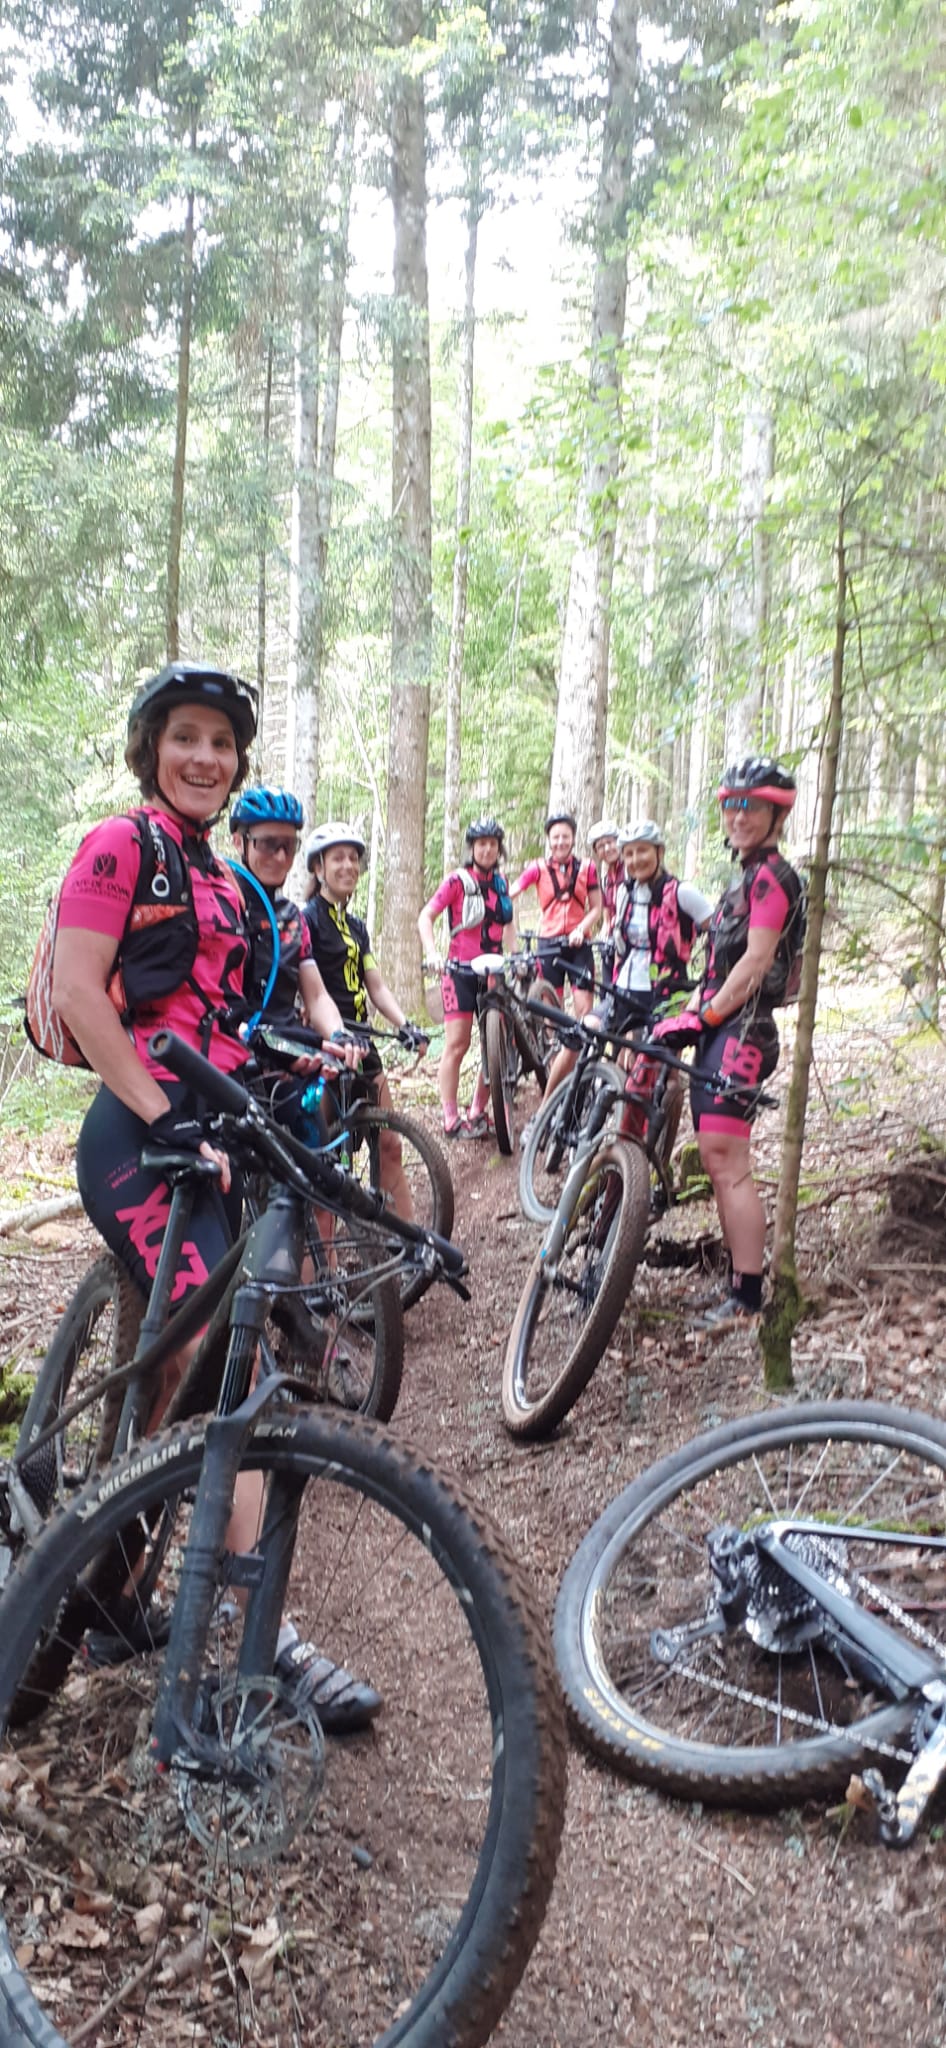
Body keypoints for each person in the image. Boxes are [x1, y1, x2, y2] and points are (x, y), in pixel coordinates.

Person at [51, 662, 379, 1730]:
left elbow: (238, 1015)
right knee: (221, 1361)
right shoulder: (118, 845)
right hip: (138, 1130)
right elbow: (75, 992)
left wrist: (313, 1055)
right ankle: (260, 1634)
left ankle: (113, 1586)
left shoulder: (229, 884)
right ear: (153, 748)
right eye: (184, 737)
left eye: (221, 744)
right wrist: (157, 1108)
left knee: (202, 1357)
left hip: (211, 1130)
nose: (204, 757)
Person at [650, 757, 804, 1332]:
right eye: (732, 805)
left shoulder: (772, 878)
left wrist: (707, 1015)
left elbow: (757, 963)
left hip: (745, 1031)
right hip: (721, 1027)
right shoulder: (743, 877)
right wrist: (691, 1013)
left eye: (752, 806)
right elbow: (718, 966)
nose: (739, 816)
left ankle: (747, 1297)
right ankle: (739, 1283)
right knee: (717, 1162)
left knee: (726, 1162)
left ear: (775, 813)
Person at [520, 819, 711, 1146]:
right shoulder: (622, 892)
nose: (636, 859)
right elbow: (613, 928)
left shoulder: (682, 893)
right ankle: (545, 1116)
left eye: (643, 852)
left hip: (666, 997)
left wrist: (707, 982)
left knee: (664, 1075)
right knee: (577, 1036)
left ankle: (646, 1152)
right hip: (623, 992)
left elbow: (720, 934)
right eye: (630, 853)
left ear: (659, 852)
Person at [303, 821, 427, 1213]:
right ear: (319, 868)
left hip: (363, 1044)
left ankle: (405, 1238)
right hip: (326, 1049)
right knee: (327, 1156)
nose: (348, 866)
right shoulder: (307, 920)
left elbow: (376, 986)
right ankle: (326, 1264)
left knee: (389, 1142)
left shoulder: (356, 928)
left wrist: (404, 1024)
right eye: (338, 858)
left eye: (354, 858)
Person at [417, 817, 513, 1138]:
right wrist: (432, 953)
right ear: (471, 848)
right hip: (459, 971)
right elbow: (426, 916)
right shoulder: (456, 882)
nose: (487, 849)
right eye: (480, 844)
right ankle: (450, 1117)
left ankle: (478, 1110)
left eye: (492, 844)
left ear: (499, 849)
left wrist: (513, 959)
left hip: (494, 972)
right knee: (458, 1044)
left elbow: (508, 926)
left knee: (495, 1043)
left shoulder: (502, 884)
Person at [509, 812, 601, 1021]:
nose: (560, 842)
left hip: (579, 944)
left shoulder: (588, 867)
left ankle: (581, 1052)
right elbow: (510, 894)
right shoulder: (537, 868)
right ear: (549, 840)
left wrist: (580, 928)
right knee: (552, 1011)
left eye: (565, 837)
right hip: (548, 944)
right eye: (555, 837)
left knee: (584, 1009)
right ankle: (554, 1052)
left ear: (573, 838)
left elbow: (597, 907)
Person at [587, 818, 622, 978]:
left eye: (610, 842)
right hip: (612, 940)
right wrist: (605, 931)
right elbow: (607, 913)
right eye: (601, 846)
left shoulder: (631, 871)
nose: (607, 848)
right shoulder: (607, 878)